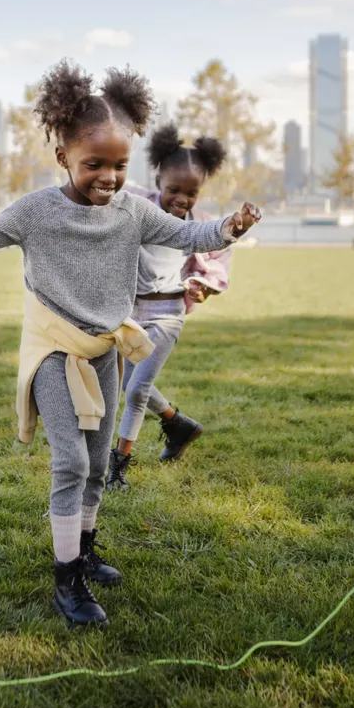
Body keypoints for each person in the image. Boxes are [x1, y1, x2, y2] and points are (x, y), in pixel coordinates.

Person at [0, 60, 261, 629]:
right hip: (54, 352)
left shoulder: (133, 210)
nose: (108, 177)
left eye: (118, 164)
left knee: (95, 462)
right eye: (94, 164)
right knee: (70, 460)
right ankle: (68, 583)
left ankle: (84, 550)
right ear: (63, 156)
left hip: (107, 350)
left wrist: (232, 228)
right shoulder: (38, 210)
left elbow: (190, 234)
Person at [106, 123, 233, 493]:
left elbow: (220, 263)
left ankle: (118, 467)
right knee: (129, 383)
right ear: (159, 179)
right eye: (174, 189)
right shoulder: (138, 206)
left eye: (191, 193)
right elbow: (108, 186)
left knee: (135, 391)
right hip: (129, 314)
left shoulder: (204, 226)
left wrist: (203, 285)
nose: (182, 199)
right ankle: (177, 424)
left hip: (167, 316)